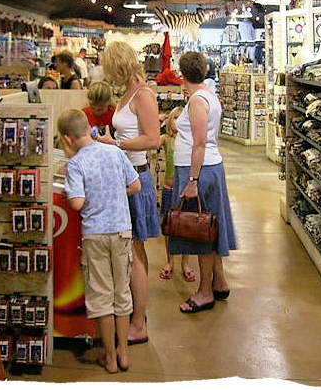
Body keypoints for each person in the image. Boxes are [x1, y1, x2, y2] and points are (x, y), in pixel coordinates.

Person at [58, 109, 141, 374]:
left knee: (102, 296)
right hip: (121, 231)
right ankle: (124, 353)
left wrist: (75, 192)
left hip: (94, 234)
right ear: (88, 128)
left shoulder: (76, 164)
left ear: (67, 139)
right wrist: (116, 191)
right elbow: (136, 185)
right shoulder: (114, 152)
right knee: (122, 293)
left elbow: (78, 202)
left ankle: (110, 358)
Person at [98, 41, 161, 345]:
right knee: (131, 251)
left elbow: (153, 139)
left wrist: (117, 144)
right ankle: (137, 313)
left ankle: (139, 323)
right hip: (125, 177)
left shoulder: (143, 95)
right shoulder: (128, 93)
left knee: (136, 252)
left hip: (137, 179)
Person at [170, 51, 236, 314]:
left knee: (200, 232)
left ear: (182, 74)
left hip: (199, 170)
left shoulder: (197, 100)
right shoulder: (207, 95)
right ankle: (219, 281)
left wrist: (193, 180)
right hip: (208, 166)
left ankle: (204, 292)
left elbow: (199, 143)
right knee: (210, 227)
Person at [158, 107, 195, 282]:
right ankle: (170, 261)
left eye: (181, 118)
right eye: (174, 118)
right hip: (168, 189)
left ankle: (185, 263)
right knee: (168, 227)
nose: (177, 122)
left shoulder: (189, 141)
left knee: (186, 226)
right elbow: (151, 142)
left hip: (183, 190)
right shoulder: (165, 139)